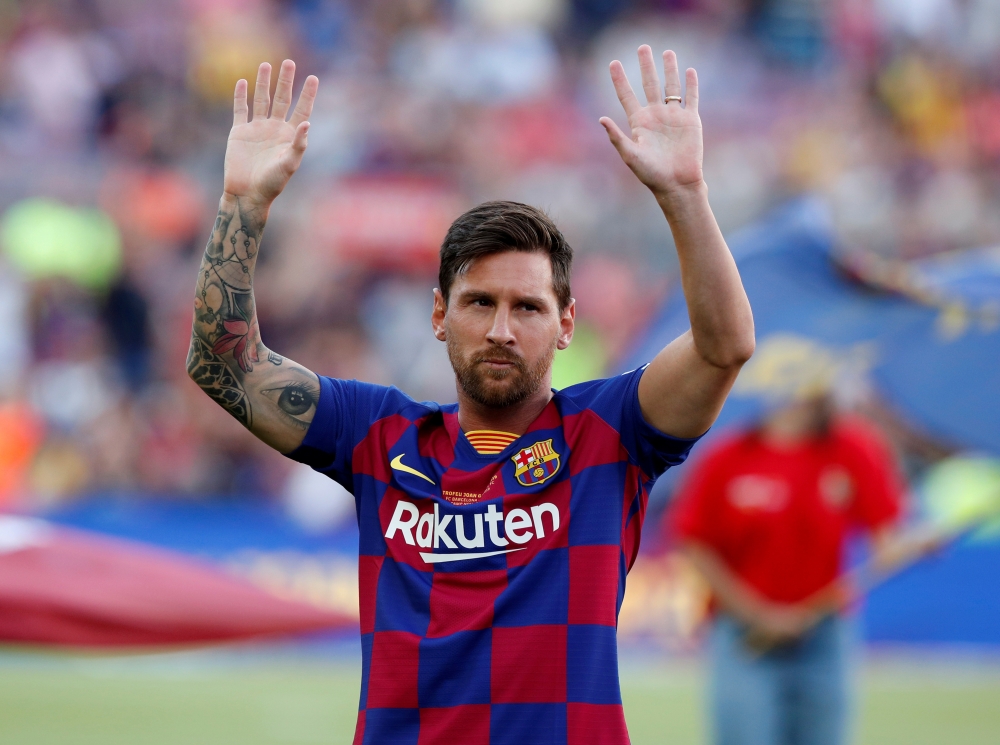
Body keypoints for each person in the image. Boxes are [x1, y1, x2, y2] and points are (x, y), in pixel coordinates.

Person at [187, 47, 755, 744]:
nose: (501, 329)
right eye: (479, 302)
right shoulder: (377, 434)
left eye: (528, 307)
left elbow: (723, 347)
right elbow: (223, 364)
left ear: (567, 324)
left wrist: (686, 195)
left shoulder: (609, 433)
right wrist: (242, 205)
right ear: (438, 315)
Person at [669, 392, 910, 745]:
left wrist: (915, 544)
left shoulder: (852, 446)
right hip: (744, 636)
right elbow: (695, 544)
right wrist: (758, 614)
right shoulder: (728, 454)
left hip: (823, 628)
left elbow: (887, 542)